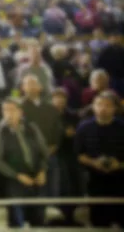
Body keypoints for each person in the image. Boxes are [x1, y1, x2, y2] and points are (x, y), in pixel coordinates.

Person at [0, 98, 49, 228]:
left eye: (12, 110)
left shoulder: (32, 128)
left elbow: (44, 152)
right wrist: (17, 175)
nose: (9, 114)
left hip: (36, 179)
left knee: (39, 219)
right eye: (5, 110)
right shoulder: (0, 133)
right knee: (17, 220)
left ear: (20, 112)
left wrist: (42, 170)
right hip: (15, 181)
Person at [75, 91, 124, 228]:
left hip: (120, 180)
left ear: (114, 108)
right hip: (94, 180)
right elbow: (79, 155)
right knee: (99, 221)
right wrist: (93, 163)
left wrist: (119, 164)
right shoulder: (84, 127)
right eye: (99, 104)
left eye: (107, 105)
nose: (103, 108)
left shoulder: (122, 127)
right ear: (93, 107)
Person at [20, 74, 62, 197]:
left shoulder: (50, 108)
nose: (31, 87)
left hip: (50, 154)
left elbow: (57, 131)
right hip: (29, 157)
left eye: (34, 83)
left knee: (52, 191)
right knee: (33, 193)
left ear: (40, 87)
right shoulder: (19, 108)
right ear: (23, 88)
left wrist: (53, 147)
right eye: (28, 84)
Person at [51, 88, 82, 225]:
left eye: (62, 98)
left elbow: (77, 132)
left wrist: (72, 133)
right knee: (58, 186)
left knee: (72, 186)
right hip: (53, 154)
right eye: (56, 98)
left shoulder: (73, 115)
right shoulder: (47, 114)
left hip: (70, 154)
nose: (59, 101)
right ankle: (58, 216)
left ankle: (70, 216)